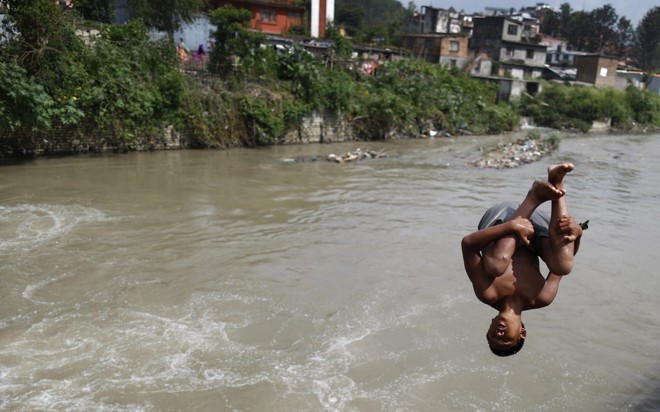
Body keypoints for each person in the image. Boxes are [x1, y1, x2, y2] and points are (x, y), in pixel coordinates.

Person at [461, 164, 584, 356]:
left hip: (503, 219)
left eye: (493, 337)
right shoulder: (542, 297)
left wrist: (509, 227)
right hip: (533, 233)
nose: (498, 334)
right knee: (563, 266)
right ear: (522, 332)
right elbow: (564, 259)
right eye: (505, 339)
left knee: (496, 265)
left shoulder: (488, 293)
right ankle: (557, 183)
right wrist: (577, 234)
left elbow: (467, 245)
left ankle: (534, 196)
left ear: (490, 325)